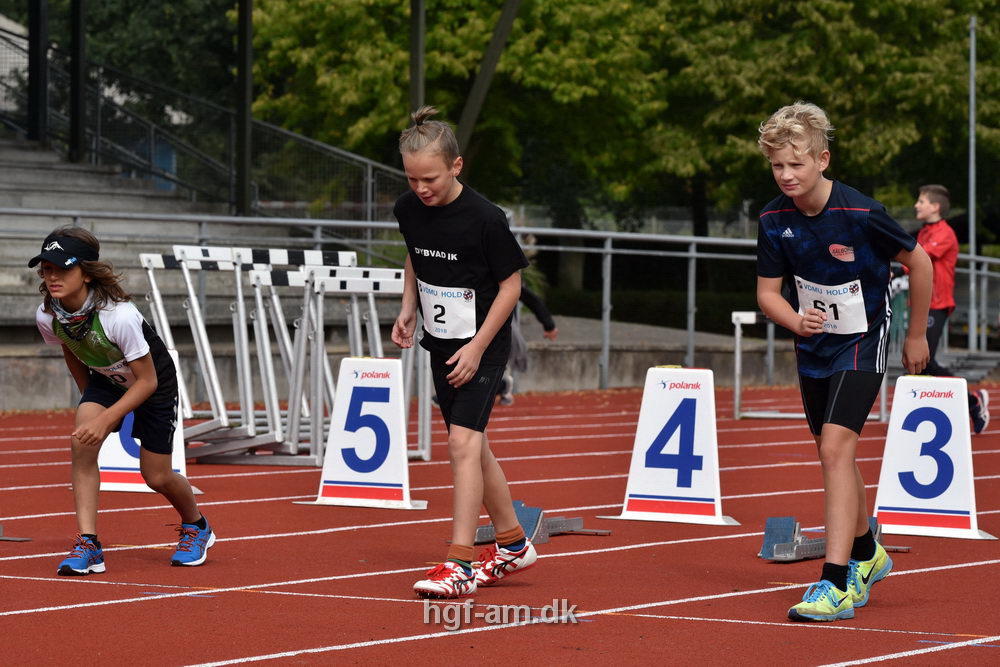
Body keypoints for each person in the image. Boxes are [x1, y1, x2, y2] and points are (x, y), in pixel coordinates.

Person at [755, 102, 932, 622]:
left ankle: (834, 582)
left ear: (822, 159)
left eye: (796, 164)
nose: (786, 175)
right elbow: (767, 294)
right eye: (777, 165)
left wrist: (916, 334)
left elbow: (919, 262)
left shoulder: (861, 213)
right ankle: (868, 552)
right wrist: (796, 320)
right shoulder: (773, 219)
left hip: (863, 338)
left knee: (835, 448)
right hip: (813, 345)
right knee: (832, 453)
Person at [391, 106, 536, 598]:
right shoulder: (408, 209)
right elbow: (415, 255)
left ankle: (459, 562)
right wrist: (408, 307)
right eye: (411, 179)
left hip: (483, 343)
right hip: (441, 340)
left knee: (461, 443)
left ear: (456, 166)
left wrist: (477, 346)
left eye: (429, 179)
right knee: (473, 444)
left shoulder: (486, 218)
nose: (420, 189)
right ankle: (513, 544)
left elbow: (512, 286)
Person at [31, 227, 214, 575]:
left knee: (156, 476)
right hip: (105, 378)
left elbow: (147, 381)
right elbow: (71, 349)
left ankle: (197, 525)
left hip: (152, 383)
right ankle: (89, 543)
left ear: (86, 272)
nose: (52, 276)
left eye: (62, 268)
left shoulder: (119, 315)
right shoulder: (48, 315)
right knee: (82, 443)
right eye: (47, 269)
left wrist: (107, 418)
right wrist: (90, 400)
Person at [912, 184, 989, 433]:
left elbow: (919, 259)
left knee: (923, 362)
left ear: (935, 207)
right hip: (921, 304)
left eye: (921, 201)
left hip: (937, 304)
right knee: (916, 364)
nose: (916, 205)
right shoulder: (924, 232)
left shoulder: (944, 233)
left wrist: (897, 269)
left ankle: (972, 401)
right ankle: (929, 415)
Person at [498, 284, 559, 405]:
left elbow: (530, 298)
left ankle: (503, 385)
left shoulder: (507, 279)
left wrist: (549, 324)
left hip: (502, 330)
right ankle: (502, 385)